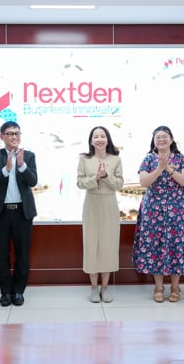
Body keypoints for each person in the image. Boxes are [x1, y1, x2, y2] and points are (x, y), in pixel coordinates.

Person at [132, 125, 184, 303]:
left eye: (165, 136)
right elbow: (143, 182)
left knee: (177, 246)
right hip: (153, 209)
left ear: (171, 140)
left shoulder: (180, 158)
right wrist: (159, 168)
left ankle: (175, 287)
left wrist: (169, 168)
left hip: (178, 209)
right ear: (154, 141)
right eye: (158, 137)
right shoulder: (148, 159)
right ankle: (159, 287)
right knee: (155, 246)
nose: (161, 140)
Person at [0, 121, 38, 307]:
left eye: (17, 133)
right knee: (1, 254)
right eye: (10, 133)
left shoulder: (29, 156)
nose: (14, 136)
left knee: (23, 254)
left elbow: (33, 181)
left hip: (23, 213)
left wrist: (21, 166)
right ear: (2, 136)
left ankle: (19, 291)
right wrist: (6, 170)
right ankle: (5, 292)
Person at [76, 126, 124, 303]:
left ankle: (105, 287)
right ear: (91, 141)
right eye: (95, 136)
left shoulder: (116, 160)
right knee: (91, 245)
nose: (99, 139)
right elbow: (79, 183)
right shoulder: (84, 159)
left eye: (102, 136)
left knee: (108, 245)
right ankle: (94, 288)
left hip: (109, 204)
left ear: (107, 139)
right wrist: (95, 178)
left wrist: (106, 176)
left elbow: (119, 184)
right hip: (91, 204)